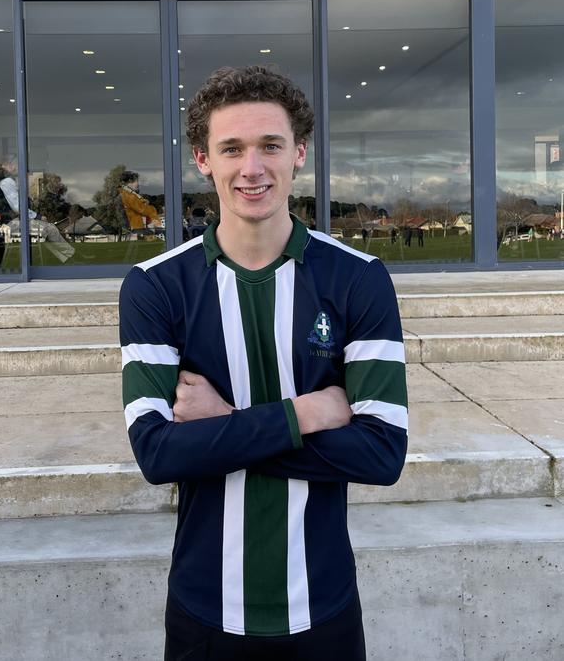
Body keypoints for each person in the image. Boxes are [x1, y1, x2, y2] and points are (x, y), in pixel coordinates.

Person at [120, 66, 408, 661]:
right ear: (203, 159)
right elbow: (158, 453)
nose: (252, 168)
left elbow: (382, 454)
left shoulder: (359, 279)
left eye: (270, 145)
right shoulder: (155, 286)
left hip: (322, 604)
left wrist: (225, 419)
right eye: (232, 148)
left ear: (299, 152)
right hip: (205, 610)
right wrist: (305, 412)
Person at [118, 170, 161, 236]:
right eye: (136, 181)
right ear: (129, 182)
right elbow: (143, 210)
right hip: (138, 228)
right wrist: (153, 208)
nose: (138, 184)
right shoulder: (129, 196)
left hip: (137, 227)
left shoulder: (128, 194)